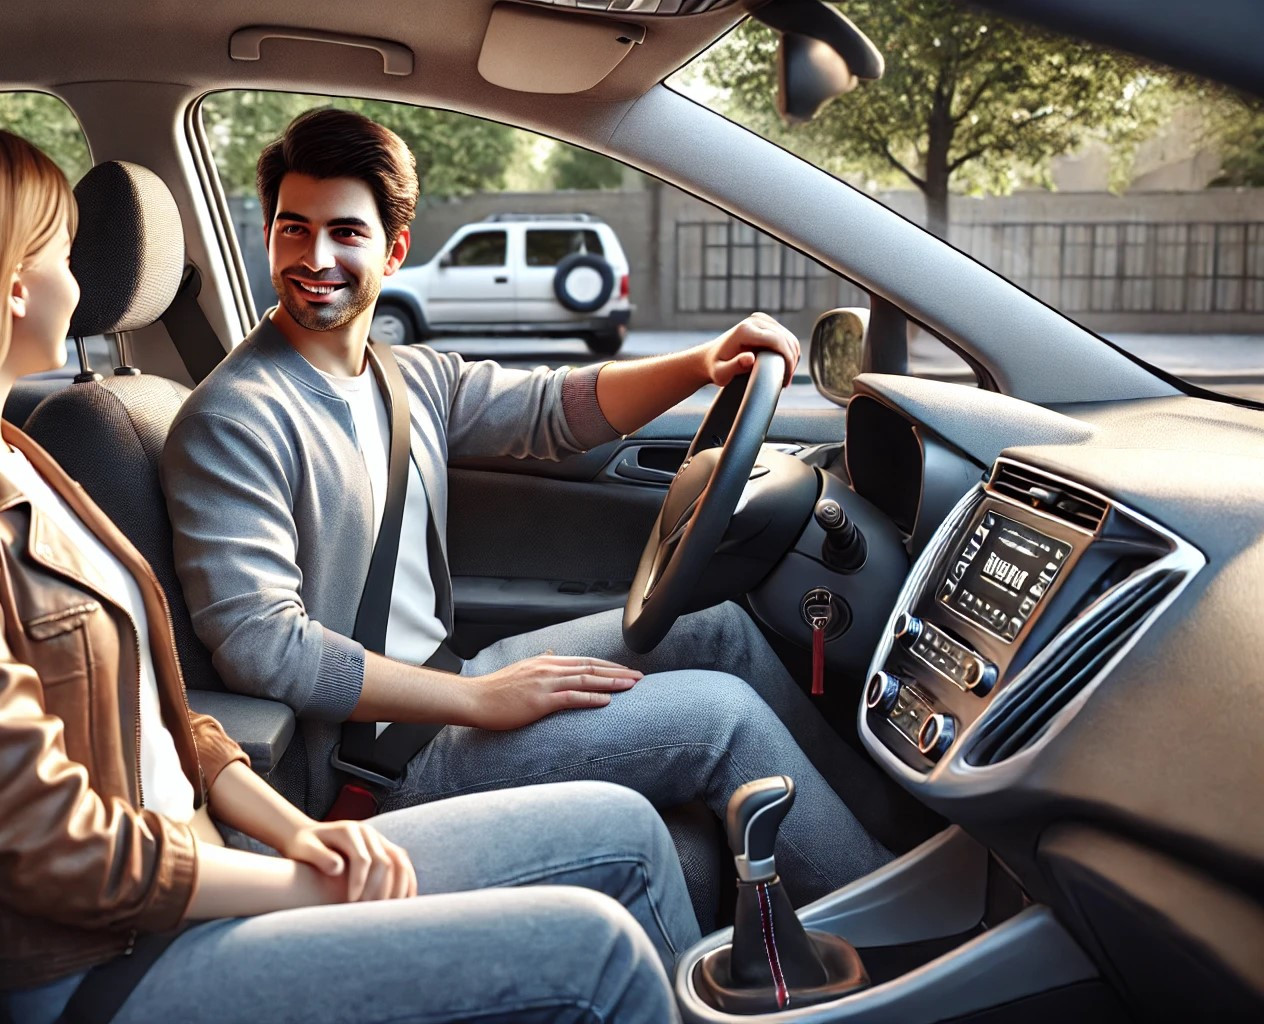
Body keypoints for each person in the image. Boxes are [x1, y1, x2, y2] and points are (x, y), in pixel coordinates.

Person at [0, 116, 702, 1024]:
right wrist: (298, 881)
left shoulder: (21, 455)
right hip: (110, 960)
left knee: (626, 834)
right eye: (60, 251)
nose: (83, 278)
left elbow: (167, 711)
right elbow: (47, 848)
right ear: (6, 282)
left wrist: (293, 834)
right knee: (601, 951)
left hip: (200, 865)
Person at [161, 108, 894, 904]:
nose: (314, 257)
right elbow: (263, 647)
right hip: (372, 764)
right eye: (292, 229)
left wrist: (703, 364)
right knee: (719, 720)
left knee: (720, 630)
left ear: (394, 250)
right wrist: (479, 701)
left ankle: (897, 851)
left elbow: (555, 411)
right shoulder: (233, 418)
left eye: (346, 232)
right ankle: (906, 941)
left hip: (446, 683)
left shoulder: (404, 377)